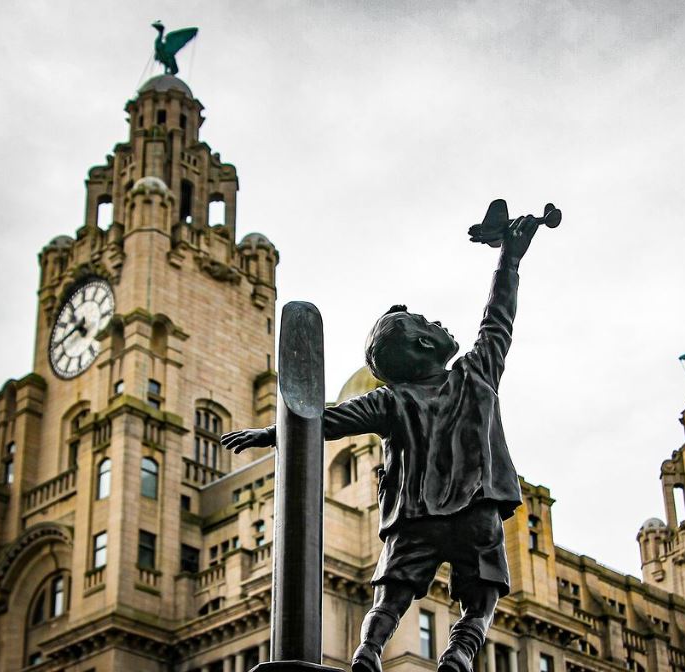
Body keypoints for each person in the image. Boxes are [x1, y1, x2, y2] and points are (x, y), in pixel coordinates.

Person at [221, 213, 540, 672]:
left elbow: (326, 420)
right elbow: (499, 318)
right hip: (476, 508)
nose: (439, 324)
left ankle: (368, 652)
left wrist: (272, 434)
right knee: (482, 594)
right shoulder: (476, 373)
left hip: (414, 518)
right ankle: (461, 653)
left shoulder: (391, 400)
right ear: (424, 347)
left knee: (391, 596)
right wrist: (509, 259)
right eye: (428, 324)